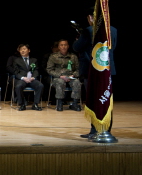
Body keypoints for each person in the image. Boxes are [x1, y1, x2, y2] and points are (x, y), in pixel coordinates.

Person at [73, 9, 117, 137]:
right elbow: (113, 48)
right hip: (108, 69)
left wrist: (78, 39)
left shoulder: (88, 30)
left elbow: (76, 47)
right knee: (106, 99)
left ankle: (94, 130)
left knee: (93, 100)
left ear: (91, 17)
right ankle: (106, 130)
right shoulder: (113, 30)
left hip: (91, 70)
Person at [47, 39, 81, 111]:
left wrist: (73, 75)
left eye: (65, 45)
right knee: (60, 82)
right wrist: (60, 76)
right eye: (61, 45)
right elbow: (49, 69)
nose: (63, 47)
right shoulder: (53, 56)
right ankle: (59, 103)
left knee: (77, 82)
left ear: (68, 46)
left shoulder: (73, 56)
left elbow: (78, 69)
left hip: (71, 77)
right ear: (58, 47)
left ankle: (75, 103)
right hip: (59, 77)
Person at [11, 44, 43, 111]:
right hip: (22, 79)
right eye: (21, 49)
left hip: (32, 79)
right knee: (18, 86)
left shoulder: (34, 60)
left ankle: (35, 104)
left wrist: (33, 77)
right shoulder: (16, 60)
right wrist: (23, 78)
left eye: (24, 49)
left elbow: (36, 70)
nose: (22, 50)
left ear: (29, 50)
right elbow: (15, 72)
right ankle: (22, 104)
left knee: (40, 85)